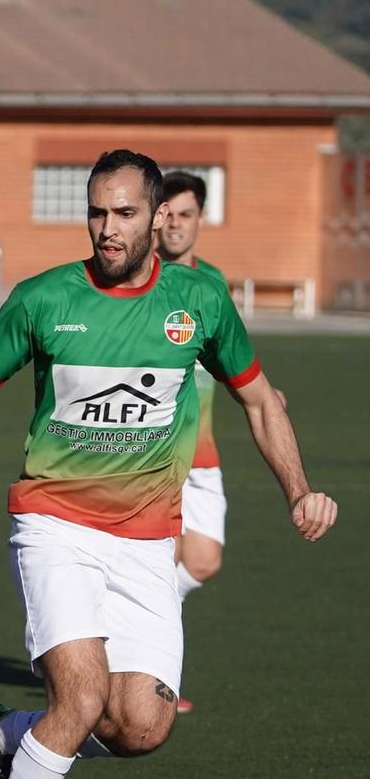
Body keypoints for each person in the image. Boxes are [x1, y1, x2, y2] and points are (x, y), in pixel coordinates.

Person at [0, 150, 337, 779]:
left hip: (149, 540)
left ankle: (12, 738)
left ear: (158, 217)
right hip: (54, 524)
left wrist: (300, 489)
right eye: (95, 211)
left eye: (123, 213)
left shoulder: (200, 303)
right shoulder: (45, 298)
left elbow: (260, 401)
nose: (106, 227)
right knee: (81, 698)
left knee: (141, 726)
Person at [155, 171, 231, 713]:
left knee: (200, 562)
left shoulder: (213, 284)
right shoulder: (140, 279)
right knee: (157, 564)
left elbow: (230, 354)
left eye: (186, 214)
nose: (176, 224)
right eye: (169, 214)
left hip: (202, 454)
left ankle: (122, 629)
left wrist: (262, 392)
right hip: (150, 456)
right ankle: (156, 682)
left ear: (199, 219)